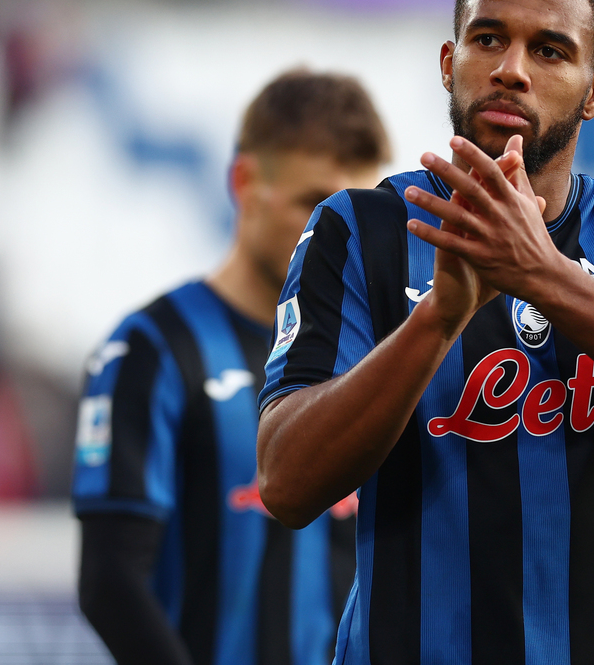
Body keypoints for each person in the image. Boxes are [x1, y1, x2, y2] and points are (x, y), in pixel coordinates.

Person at [256, 0, 594, 665]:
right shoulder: (357, 228)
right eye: (488, 38)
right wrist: (437, 319)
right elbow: (285, 483)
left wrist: (541, 275)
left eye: (551, 51)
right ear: (450, 61)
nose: (511, 70)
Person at [72, 70, 390, 665]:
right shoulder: (153, 348)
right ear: (244, 183)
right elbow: (110, 583)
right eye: (315, 205)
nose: (337, 236)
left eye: (356, 213)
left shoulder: (381, 362)